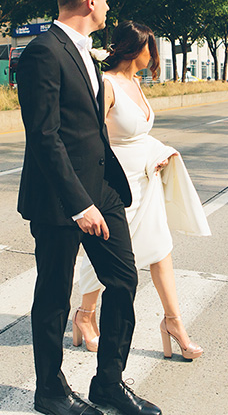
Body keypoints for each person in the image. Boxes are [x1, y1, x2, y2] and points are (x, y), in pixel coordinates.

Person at [16, 0, 161, 415]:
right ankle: (51, 393)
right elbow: (45, 135)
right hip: (61, 200)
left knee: (123, 280)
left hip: (104, 190)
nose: (110, 5)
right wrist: (79, 204)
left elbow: (91, 128)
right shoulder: (43, 51)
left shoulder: (86, 53)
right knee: (55, 296)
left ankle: (108, 383)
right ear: (90, 2)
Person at [73, 21, 210, 363]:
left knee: (161, 250)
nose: (154, 55)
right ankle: (85, 316)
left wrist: (159, 152)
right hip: (114, 186)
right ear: (136, 50)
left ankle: (174, 323)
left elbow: (137, 137)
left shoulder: (136, 83)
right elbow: (93, 139)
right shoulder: (107, 85)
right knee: (103, 257)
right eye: (151, 47)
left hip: (145, 181)